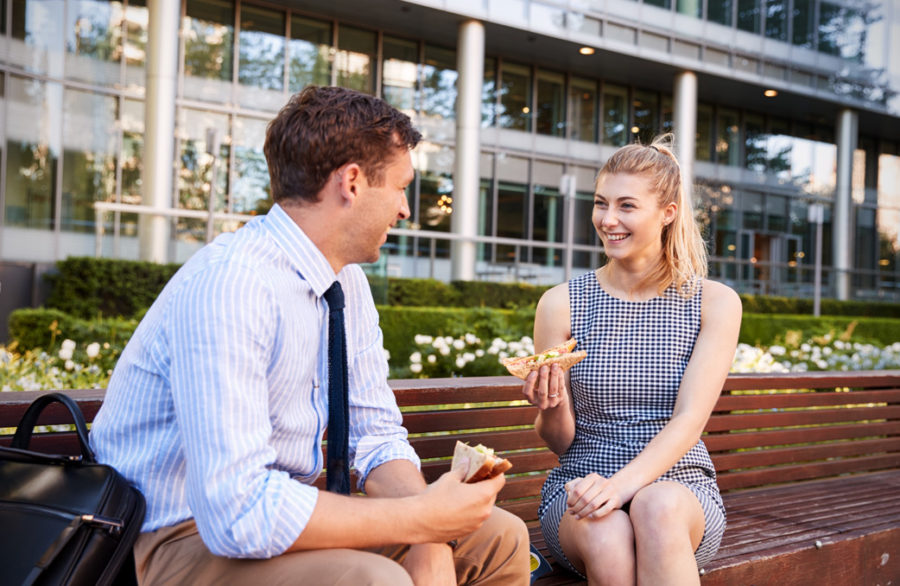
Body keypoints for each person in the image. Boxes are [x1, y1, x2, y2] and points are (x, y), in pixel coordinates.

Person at [90, 85, 530, 586]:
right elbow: (237, 514)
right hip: (176, 540)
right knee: (374, 580)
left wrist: (427, 535)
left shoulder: (345, 283)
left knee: (501, 537)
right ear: (352, 182)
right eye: (402, 186)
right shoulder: (232, 283)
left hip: (273, 517)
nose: (406, 210)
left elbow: (377, 438)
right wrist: (421, 519)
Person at [521, 134, 741, 585]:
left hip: (681, 488)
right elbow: (562, 441)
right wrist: (551, 402)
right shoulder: (560, 303)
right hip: (582, 485)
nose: (608, 219)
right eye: (601, 204)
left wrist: (621, 486)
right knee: (607, 532)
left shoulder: (713, 303)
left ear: (668, 214)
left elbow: (689, 421)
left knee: (654, 505)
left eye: (626, 206)